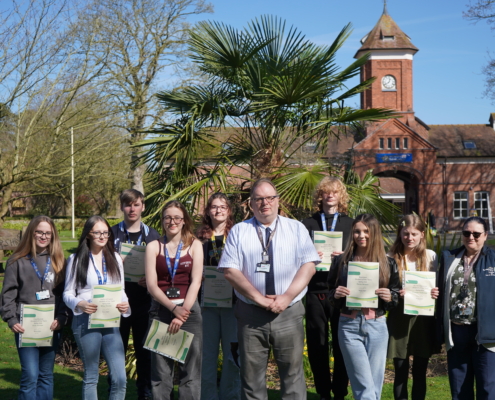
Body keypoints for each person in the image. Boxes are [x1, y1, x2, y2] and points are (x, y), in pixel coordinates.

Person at [218, 178, 320, 400]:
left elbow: (309, 266)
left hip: (289, 313)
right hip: (250, 315)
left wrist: (286, 297)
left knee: (293, 377)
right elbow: (230, 272)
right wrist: (260, 299)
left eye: (270, 198)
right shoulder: (238, 231)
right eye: (259, 199)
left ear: (277, 200)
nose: (265, 203)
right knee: (251, 380)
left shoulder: (296, 228)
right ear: (251, 204)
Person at [328, 213, 400, 400]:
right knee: (363, 385)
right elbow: (330, 295)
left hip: (377, 325)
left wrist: (389, 296)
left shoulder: (388, 263)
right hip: (349, 326)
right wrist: (336, 294)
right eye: (357, 231)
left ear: (374, 233)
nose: (361, 236)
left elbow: (395, 297)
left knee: (374, 385)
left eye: (366, 231)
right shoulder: (341, 262)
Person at [0, 216, 67, 400]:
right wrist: (11, 319)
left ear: (52, 235)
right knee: (30, 375)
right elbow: (8, 295)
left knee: (46, 376)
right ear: (32, 233)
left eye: (47, 233)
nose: (43, 236)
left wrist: (61, 317)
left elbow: (64, 295)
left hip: (51, 327)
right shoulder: (16, 261)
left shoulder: (59, 261)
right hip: (25, 327)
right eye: (40, 232)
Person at [63, 216, 130, 400]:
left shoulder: (115, 258)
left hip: (110, 322)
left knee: (120, 378)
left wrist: (126, 305)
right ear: (88, 235)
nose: (102, 236)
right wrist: (80, 304)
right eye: (97, 232)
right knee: (91, 376)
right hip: (86, 321)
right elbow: (67, 293)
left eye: (105, 232)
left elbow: (121, 290)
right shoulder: (76, 259)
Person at [145, 200, 203, 400]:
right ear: (162, 221)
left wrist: (182, 312)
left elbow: (196, 282)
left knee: (191, 374)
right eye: (168, 217)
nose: (172, 221)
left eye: (177, 217)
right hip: (161, 311)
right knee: (161, 374)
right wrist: (172, 309)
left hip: (190, 313)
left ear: (184, 220)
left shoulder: (195, 245)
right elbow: (152, 285)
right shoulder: (153, 246)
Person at [302, 176, 353, 400]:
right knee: (317, 344)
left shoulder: (350, 224)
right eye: (326, 191)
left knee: (342, 343)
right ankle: (323, 392)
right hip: (315, 291)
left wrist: (346, 257)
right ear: (320, 195)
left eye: (334, 192)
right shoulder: (308, 224)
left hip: (341, 291)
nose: (330, 195)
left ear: (341, 196)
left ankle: (340, 391)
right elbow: (297, 256)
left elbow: (359, 255)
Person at [437, 216, 495, 400]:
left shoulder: (493, 260)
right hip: (457, 331)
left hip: (485, 333)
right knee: (459, 387)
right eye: (466, 233)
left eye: (476, 234)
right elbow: (439, 287)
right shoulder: (449, 258)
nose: (471, 237)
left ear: (485, 235)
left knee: (487, 387)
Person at [111, 189, 160, 400]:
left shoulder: (152, 235)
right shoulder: (112, 233)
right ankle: (114, 393)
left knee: (144, 355)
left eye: (136, 204)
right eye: (128, 204)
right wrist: (115, 268)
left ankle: (145, 396)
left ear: (143, 207)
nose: (132, 209)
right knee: (115, 354)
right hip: (117, 304)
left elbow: (162, 266)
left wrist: (150, 278)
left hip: (144, 304)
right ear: (122, 206)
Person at [387, 214, 440, 400]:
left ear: (422, 235)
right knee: (400, 372)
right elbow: (386, 288)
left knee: (420, 371)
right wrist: (395, 292)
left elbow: (435, 286)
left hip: (422, 320)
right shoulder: (390, 257)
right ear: (400, 233)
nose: (410, 238)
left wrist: (435, 293)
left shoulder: (430, 257)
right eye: (406, 233)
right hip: (399, 318)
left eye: (414, 234)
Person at [197, 193, 241, 400]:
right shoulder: (198, 238)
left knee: (233, 355)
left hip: (233, 303)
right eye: (214, 207)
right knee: (207, 355)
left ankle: (230, 396)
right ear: (208, 211)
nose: (218, 210)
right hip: (207, 305)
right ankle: (207, 397)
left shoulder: (238, 235)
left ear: (229, 211)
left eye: (223, 207)